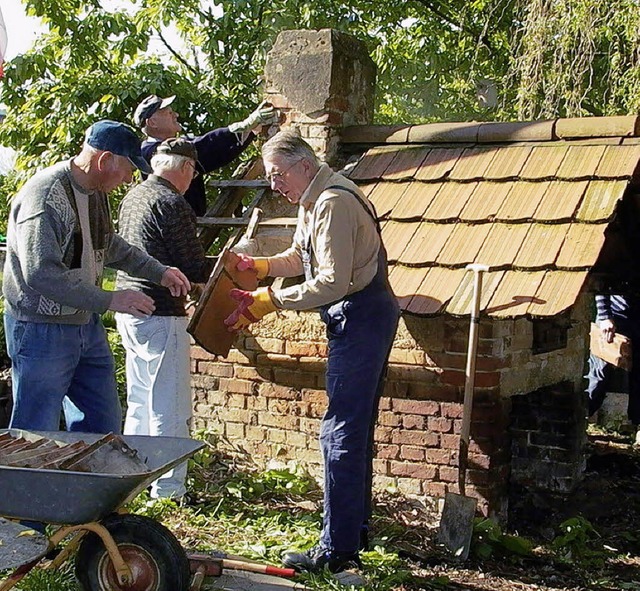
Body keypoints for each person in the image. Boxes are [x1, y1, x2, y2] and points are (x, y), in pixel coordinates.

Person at [224, 129, 400, 573]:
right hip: (358, 314)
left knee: (339, 433)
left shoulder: (333, 202)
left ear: (304, 165)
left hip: (361, 315)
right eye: (270, 178)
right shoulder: (313, 200)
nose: (274, 185)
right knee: (350, 429)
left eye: (278, 174)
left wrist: (269, 300)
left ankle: (337, 552)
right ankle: (353, 534)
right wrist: (260, 267)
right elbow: (302, 259)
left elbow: (332, 282)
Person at [2, 120, 191, 434]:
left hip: (84, 324)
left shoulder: (95, 191)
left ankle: (92, 484)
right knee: (34, 432)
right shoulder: (45, 196)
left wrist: (160, 272)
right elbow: (41, 274)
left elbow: (110, 244)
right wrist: (111, 300)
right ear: (105, 160)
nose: (131, 177)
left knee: (101, 425)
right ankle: (25, 485)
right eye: (129, 168)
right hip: (40, 330)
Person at [115, 137, 214, 499]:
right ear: (186, 168)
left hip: (130, 310)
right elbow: (192, 266)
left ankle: (132, 482)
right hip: (160, 312)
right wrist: (236, 262)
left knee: (141, 400)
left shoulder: (134, 197)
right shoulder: (173, 203)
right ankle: (170, 491)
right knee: (170, 405)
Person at [133, 94, 278, 216]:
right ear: (152, 122)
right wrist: (242, 127)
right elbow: (204, 147)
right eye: (169, 113)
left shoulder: (173, 145)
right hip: (172, 227)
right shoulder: (151, 152)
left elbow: (207, 148)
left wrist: (252, 129)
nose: (175, 115)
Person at [586, 292, 640, 444]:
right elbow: (602, 281)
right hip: (615, 314)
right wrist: (604, 316)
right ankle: (580, 421)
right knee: (599, 375)